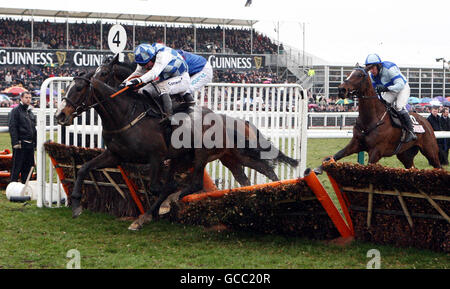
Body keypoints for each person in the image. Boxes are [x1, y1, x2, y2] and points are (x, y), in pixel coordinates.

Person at [120, 43, 190, 121]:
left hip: (182, 79)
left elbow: (154, 73)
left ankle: (169, 117)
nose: (145, 67)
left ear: (152, 57)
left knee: (162, 87)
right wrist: (124, 83)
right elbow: (138, 73)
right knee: (142, 90)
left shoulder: (163, 55)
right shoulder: (147, 59)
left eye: (146, 63)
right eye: (141, 64)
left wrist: (138, 80)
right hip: (167, 80)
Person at [365, 53, 417, 142]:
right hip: (390, 90)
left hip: (402, 88)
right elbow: (374, 91)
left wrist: (385, 88)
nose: (372, 71)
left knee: (398, 106)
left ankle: (411, 131)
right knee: (382, 105)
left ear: (378, 65)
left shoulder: (389, 69)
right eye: (370, 69)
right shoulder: (372, 76)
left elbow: (400, 85)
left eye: (373, 68)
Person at [8, 92, 36, 183]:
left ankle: (25, 186)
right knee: (17, 167)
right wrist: (15, 142)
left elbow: (33, 128)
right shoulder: (15, 111)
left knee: (28, 166)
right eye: (26, 97)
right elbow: (13, 127)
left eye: (30, 98)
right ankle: (12, 186)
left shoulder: (30, 112)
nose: (28, 99)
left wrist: (35, 143)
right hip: (21, 144)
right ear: (21, 98)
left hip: (30, 144)